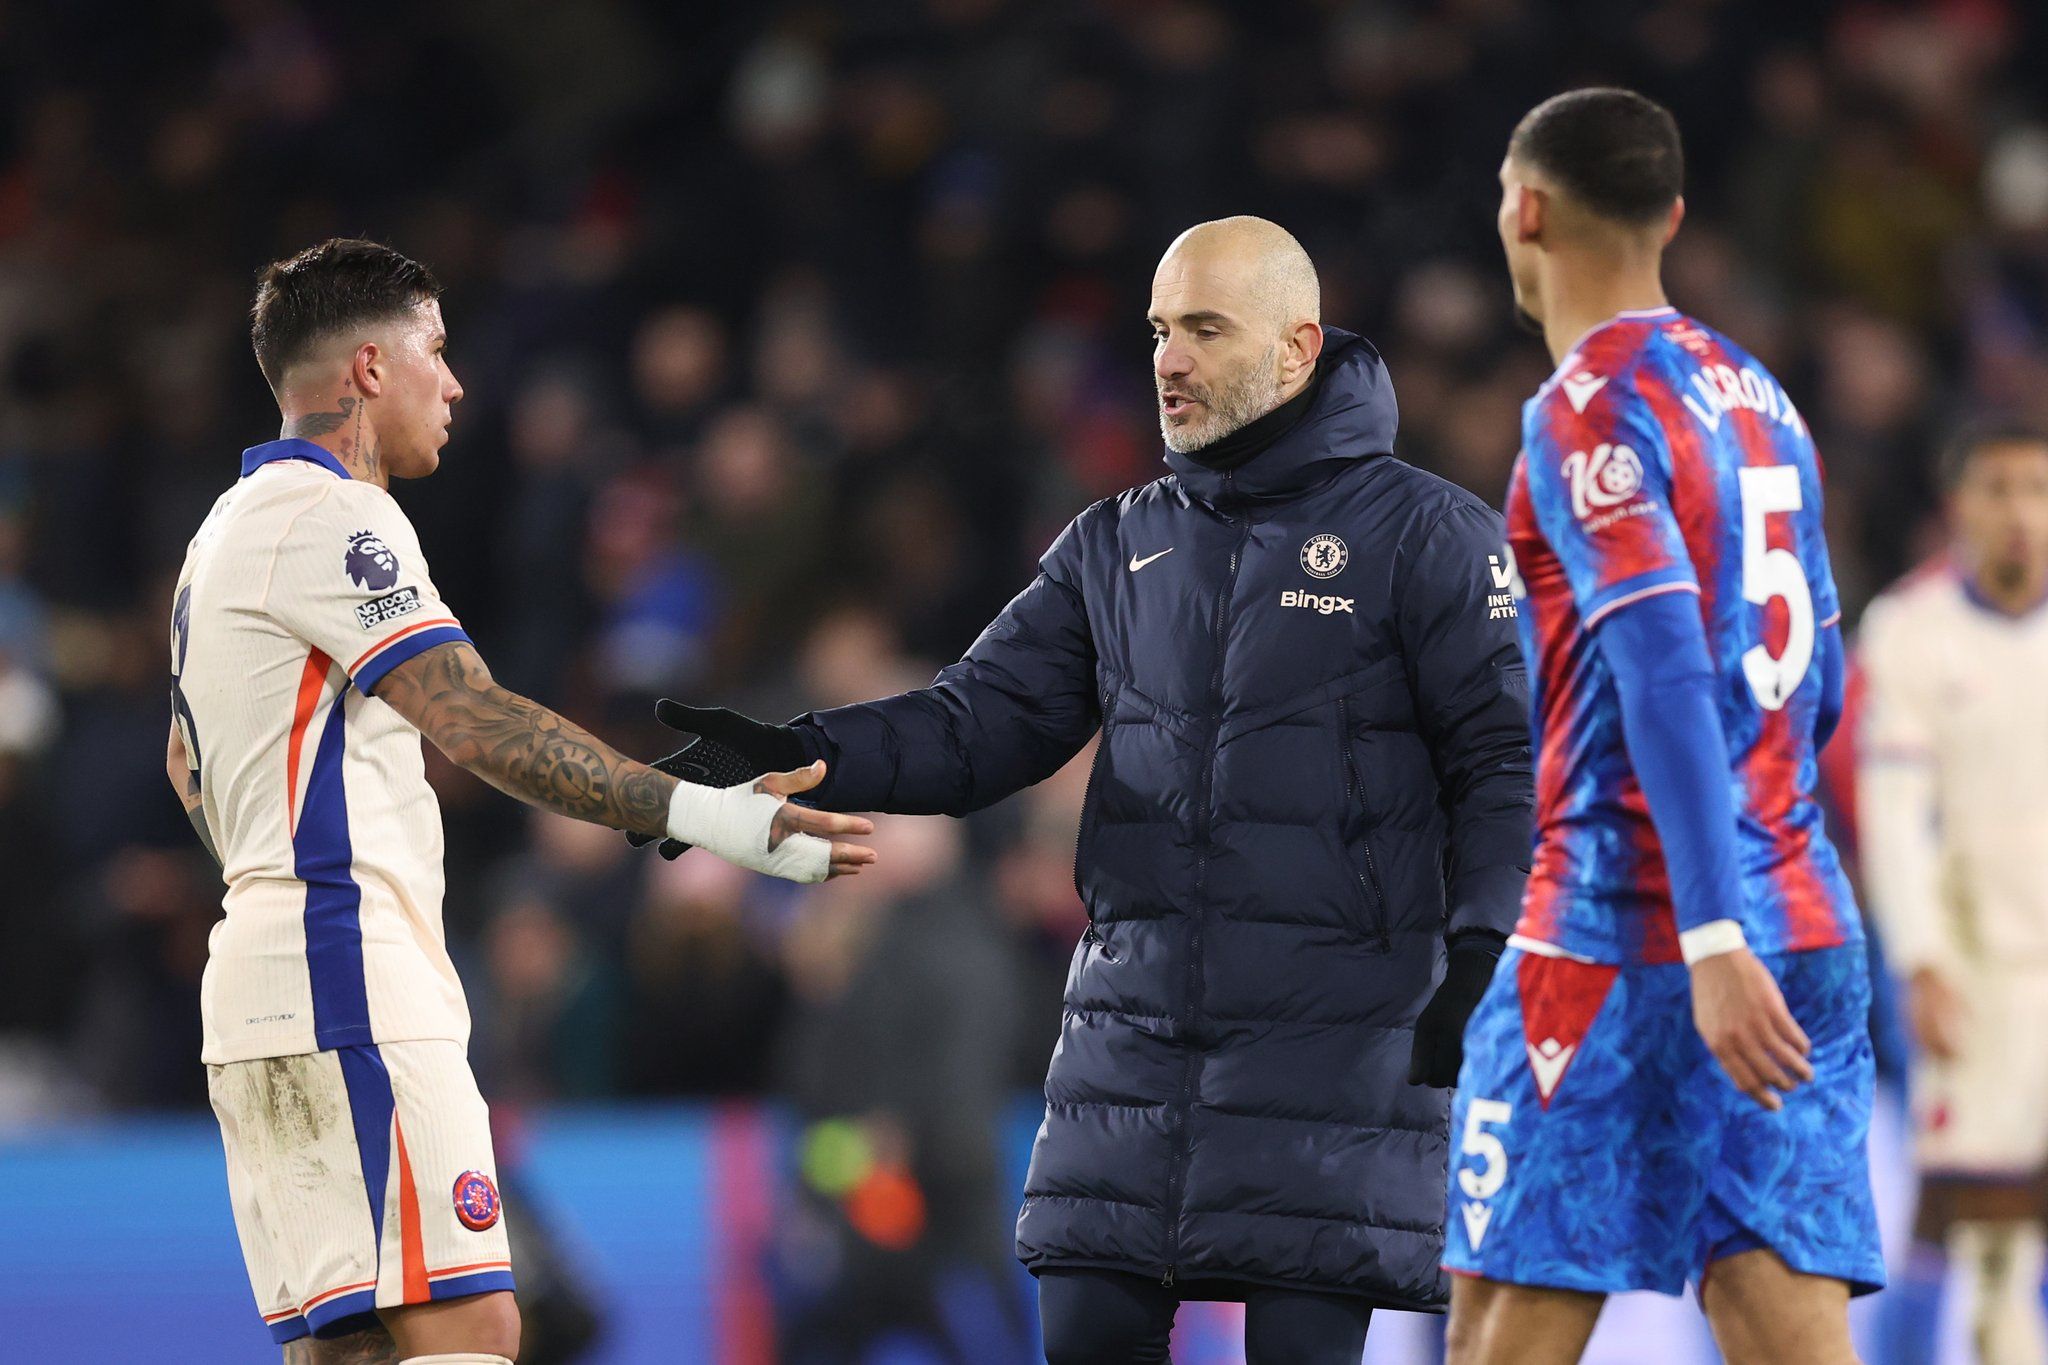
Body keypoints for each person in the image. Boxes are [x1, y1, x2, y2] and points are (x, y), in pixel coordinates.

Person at [634, 216, 1535, 1363]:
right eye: (1160, 329)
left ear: (1298, 348)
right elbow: (972, 728)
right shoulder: (1115, 545)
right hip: (1131, 1053)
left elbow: (1503, 765)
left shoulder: (1431, 537)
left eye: (1205, 330)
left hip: (1337, 1056)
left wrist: (1481, 956)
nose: (1168, 358)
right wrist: (797, 746)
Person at [166, 238, 876, 1365]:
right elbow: (473, 716)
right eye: (435, 352)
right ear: (364, 368)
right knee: (474, 1324)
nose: (452, 384)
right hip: (343, 973)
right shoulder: (330, 517)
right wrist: (712, 815)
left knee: (354, 1348)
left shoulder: (218, 539)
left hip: (265, 979)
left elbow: (185, 769)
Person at [1440, 89, 1882, 1365]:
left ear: (1522, 210)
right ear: (1671, 216)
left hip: (1627, 933)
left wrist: (1706, 929)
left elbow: (1666, 677)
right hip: (1802, 921)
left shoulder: (1585, 405)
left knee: (1500, 1325)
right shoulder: (1759, 395)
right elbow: (1825, 685)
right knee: (1774, 1307)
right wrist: (1756, 894)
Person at [1860, 426, 2048, 1365]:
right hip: (1973, 978)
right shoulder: (1910, 629)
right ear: (1960, 506)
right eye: (1999, 490)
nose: (2020, 514)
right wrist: (1922, 960)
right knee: (1980, 1218)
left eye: (2038, 491)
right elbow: (1895, 814)